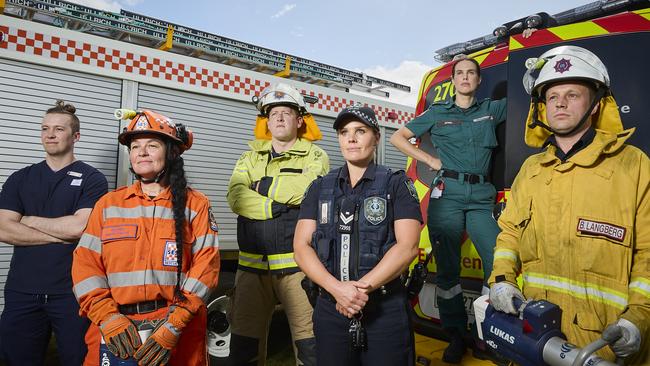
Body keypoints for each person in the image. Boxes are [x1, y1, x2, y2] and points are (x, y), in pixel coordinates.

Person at [489, 45, 649, 364]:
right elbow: (509, 234)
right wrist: (502, 281)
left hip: (605, 345)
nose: (560, 102)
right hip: (536, 338)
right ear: (543, 108)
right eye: (552, 96)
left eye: (573, 94)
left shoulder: (634, 166)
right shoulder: (531, 171)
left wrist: (639, 319)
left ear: (594, 105)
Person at [72, 109, 220, 366]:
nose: (141, 152)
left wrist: (173, 326)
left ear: (172, 152)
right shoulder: (108, 205)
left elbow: (205, 268)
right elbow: (85, 265)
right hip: (116, 327)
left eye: (152, 145)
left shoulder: (195, 205)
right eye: (135, 146)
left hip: (174, 327)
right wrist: (107, 317)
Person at [390, 56, 506, 363]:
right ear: (453, 81)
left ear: (479, 81)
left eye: (471, 73)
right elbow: (398, 138)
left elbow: (530, 98)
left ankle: (487, 333)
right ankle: (455, 335)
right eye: (460, 74)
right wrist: (428, 161)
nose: (465, 77)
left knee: (498, 261)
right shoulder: (437, 112)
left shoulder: (491, 110)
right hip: (447, 194)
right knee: (447, 270)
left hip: (482, 195)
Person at [294, 106, 422, 365]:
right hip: (331, 309)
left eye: (360, 131)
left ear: (376, 137)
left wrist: (358, 291)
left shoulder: (396, 184)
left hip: (384, 309)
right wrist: (337, 290)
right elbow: (301, 246)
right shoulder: (319, 187)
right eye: (344, 132)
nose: (351, 139)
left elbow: (408, 246)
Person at [225, 82, 329, 366]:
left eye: (286, 112)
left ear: (299, 120)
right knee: (243, 350)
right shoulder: (248, 157)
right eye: (273, 113)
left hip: (298, 269)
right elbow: (235, 195)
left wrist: (260, 185)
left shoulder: (315, 155)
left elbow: (309, 187)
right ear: (266, 121)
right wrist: (276, 206)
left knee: (310, 348)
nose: (280, 117)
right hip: (251, 269)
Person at [0, 100, 108, 365]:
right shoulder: (20, 178)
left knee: (79, 359)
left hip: (73, 293)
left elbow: (80, 227)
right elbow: (3, 229)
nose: (50, 134)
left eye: (59, 129)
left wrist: (27, 219)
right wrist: (63, 234)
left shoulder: (92, 179)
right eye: (45, 128)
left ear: (76, 136)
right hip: (21, 292)